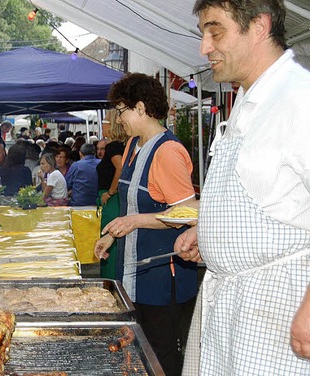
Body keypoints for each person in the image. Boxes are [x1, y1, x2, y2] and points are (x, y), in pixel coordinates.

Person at [175, 1, 310, 374]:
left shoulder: (299, 98)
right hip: (235, 306)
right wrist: (213, 236)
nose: (204, 47)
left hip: (279, 312)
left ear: (259, 27)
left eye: (215, 31)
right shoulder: (250, 98)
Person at [93, 73, 198, 376]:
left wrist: (135, 221)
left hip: (163, 278)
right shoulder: (131, 147)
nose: (118, 118)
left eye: (122, 110)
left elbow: (188, 213)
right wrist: (112, 236)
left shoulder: (167, 152)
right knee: (137, 349)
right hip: (134, 272)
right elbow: (129, 205)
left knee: (161, 353)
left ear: (140, 108)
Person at [96, 110, 128, 279]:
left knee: (110, 236)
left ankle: (111, 279)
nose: (102, 125)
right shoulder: (121, 145)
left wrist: (110, 192)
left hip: (112, 198)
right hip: (114, 197)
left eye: (105, 122)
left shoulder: (113, 146)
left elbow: (120, 168)